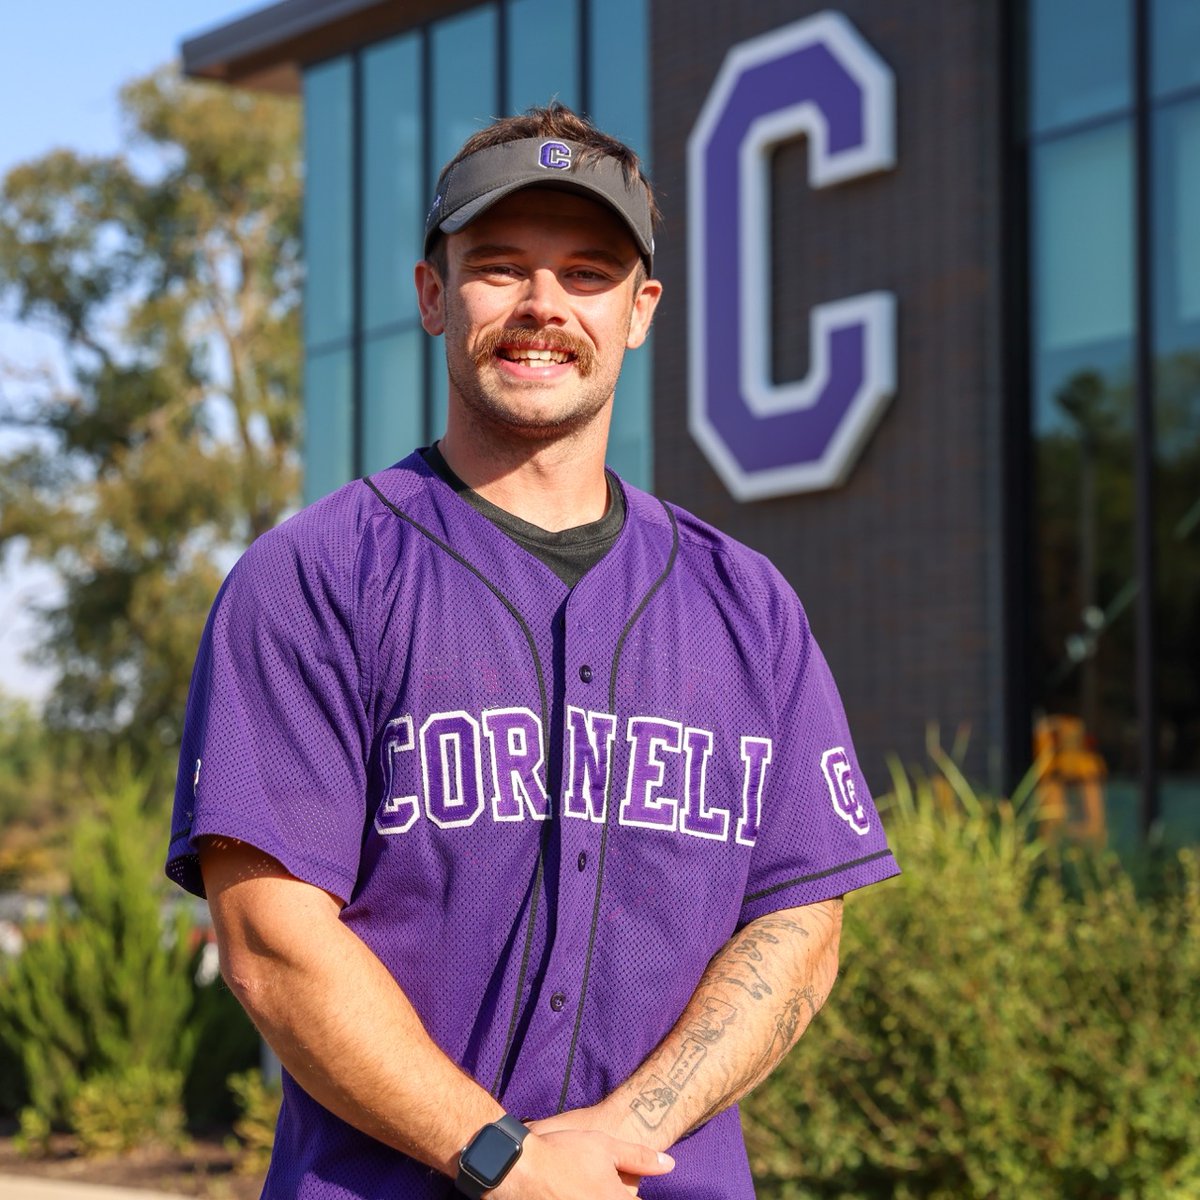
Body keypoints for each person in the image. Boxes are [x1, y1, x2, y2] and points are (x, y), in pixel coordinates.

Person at [166, 103, 900, 1200]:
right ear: (432, 294)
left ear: (642, 311)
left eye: (589, 273)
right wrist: (502, 1155)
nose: (543, 307)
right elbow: (271, 935)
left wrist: (616, 1137)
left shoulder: (750, 605)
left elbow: (801, 916)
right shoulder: (312, 580)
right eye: (500, 268)